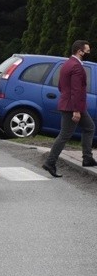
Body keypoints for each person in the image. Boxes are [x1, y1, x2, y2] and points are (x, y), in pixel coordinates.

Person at [42, 40, 97, 177]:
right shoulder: (76, 67)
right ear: (80, 51)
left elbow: (61, 86)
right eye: (87, 51)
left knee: (89, 127)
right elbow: (77, 90)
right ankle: (50, 162)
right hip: (73, 106)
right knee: (65, 135)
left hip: (70, 104)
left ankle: (87, 158)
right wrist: (76, 110)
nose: (88, 53)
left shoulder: (67, 64)